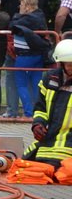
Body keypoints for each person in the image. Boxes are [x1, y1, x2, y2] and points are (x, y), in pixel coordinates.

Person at [23, 39, 72, 169]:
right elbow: (40, 107)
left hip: (69, 141)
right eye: (69, 65)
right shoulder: (50, 79)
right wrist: (38, 124)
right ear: (60, 64)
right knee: (29, 162)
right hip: (51, 136)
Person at [9, 0, 48, 118]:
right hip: (37, 55)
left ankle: (29, 112)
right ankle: (39, 111)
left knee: (21, 84)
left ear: (26, 5)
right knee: (36, 83)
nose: (19, 6)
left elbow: (11, 26)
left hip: (25, 55)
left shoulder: (28, 18)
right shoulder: (40, 15)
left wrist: (18, 15)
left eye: (21, 4)